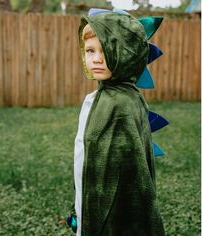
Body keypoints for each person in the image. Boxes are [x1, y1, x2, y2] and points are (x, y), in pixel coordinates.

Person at [68, 9, 166, 236]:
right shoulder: (100, 98)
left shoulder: (120, 104)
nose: (97, 59)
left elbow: (131, 177)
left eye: (107, 49)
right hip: (89, 193)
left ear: (128, 55)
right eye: (90, 50)